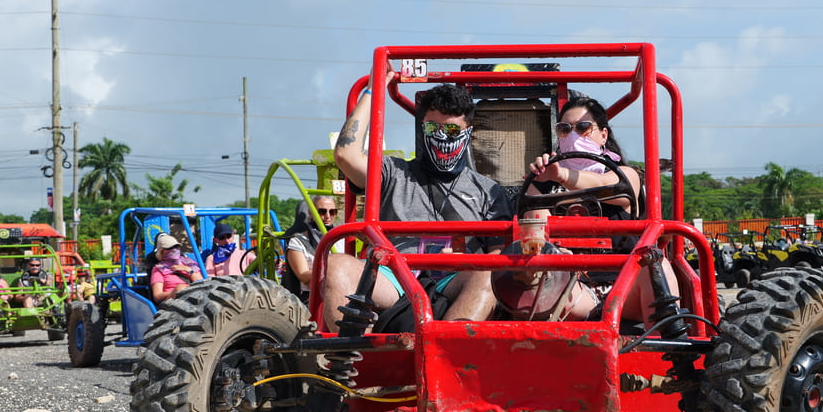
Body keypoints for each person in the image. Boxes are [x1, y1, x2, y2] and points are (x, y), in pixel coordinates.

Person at [321, 72, 513, 329]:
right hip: (396, 277)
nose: (443, 137)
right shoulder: (394, 172)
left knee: (491, 274)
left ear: (469, 133)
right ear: (423, 129)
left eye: (452, 129)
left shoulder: (487, 190)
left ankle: (447, 357)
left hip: (454, 279)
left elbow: (498, 252)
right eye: (434, 128)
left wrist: (464, 259)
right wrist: (374, 89)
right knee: (336, 265)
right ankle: (356, 361)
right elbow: (346, 154)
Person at [519, 95, 678, 327]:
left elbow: (609, 188)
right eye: (564, 129)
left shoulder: (626, 175)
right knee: (538, 277)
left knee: (657, 265)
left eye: (583, 127)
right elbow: (537, 234)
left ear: (603, 134)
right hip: (574, 287)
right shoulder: (542, 183)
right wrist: (545, 178)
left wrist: (562, 175)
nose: (573, 135)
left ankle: (667, 351)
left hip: (626, 286)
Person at [281, 196, 339, 301]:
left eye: (332, 212)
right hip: (310, 298)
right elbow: (303, 275)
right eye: (322, 211)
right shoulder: (298, 241)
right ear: (311, 213)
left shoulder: (342, 239)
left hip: (339, 293)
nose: (328, 216)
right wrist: (334, 270)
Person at [149, 232, 203, 304]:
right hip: (171, 304)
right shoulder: (158, 269)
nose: (174, 249)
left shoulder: (188, 263)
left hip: (194, 298)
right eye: (170, 247)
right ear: (162, 251)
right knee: (180, 288)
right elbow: (157, 296)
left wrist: (187, 269)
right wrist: (178, 291)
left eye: (176, 246)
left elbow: (203, 284)